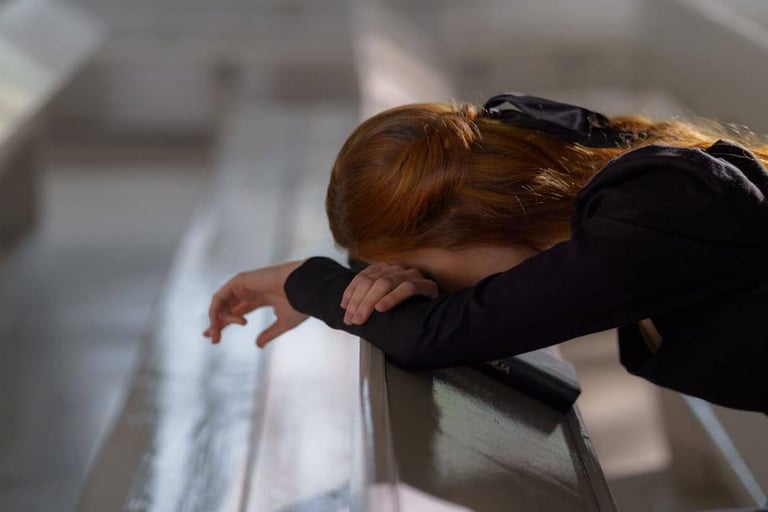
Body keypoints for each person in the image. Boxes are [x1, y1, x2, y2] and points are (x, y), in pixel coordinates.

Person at [204, 93, 768, 414]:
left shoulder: (658, 207)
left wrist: (306, 280)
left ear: (473, 225)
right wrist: (372, 283)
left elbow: (437, 337)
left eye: (421, 270)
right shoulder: (639, 207)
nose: (422, 287)